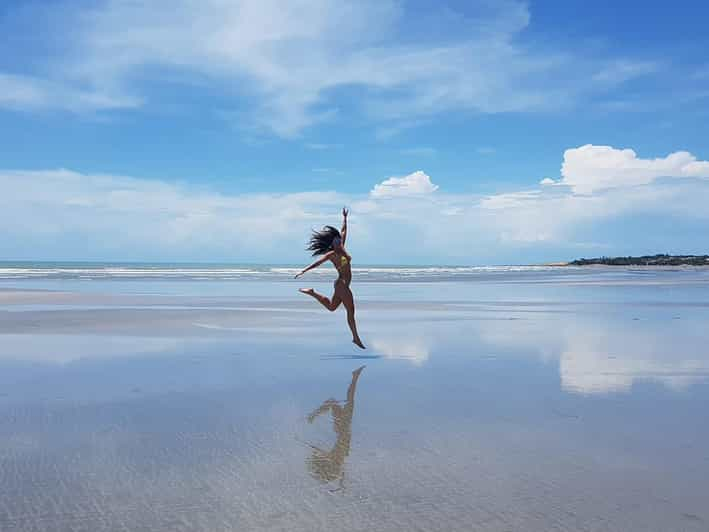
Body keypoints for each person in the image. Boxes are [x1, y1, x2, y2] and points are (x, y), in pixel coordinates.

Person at [295, 208, 365, 349]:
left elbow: (344, 231)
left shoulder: (342, 248)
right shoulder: (332, 254)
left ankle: (312, 292)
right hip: (341, 284)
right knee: (351, 311)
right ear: (332, 244)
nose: (339, 241)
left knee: (332, 307)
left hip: (342, 285)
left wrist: (344, 218)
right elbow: (318, 263)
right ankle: (356, 338)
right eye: (336, 241)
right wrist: (304, 270)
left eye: (339, 240)